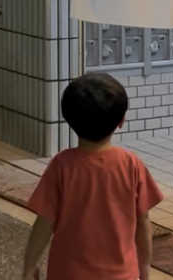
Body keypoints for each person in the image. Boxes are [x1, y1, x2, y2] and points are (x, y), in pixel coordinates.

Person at [22, 72, 164, 280]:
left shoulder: (62, 166)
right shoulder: (130, 164)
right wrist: (144, 270)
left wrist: (29, 266)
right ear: (121, 121)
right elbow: (143, 223)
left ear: (69, 120)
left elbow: (44, 222)